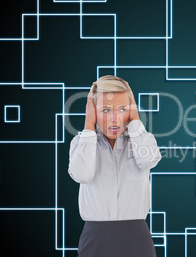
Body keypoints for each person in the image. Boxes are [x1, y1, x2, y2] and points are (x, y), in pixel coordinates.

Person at [68, 75, 161, 257]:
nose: (114, 119)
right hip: (95, 239)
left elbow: (149, 160)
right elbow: (82, 175)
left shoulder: (142, 140)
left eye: (122, 109)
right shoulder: (81, 143)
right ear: (93, 111)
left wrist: (135, 121)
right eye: (105, 110)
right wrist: (88, 125)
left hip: (136, 239)